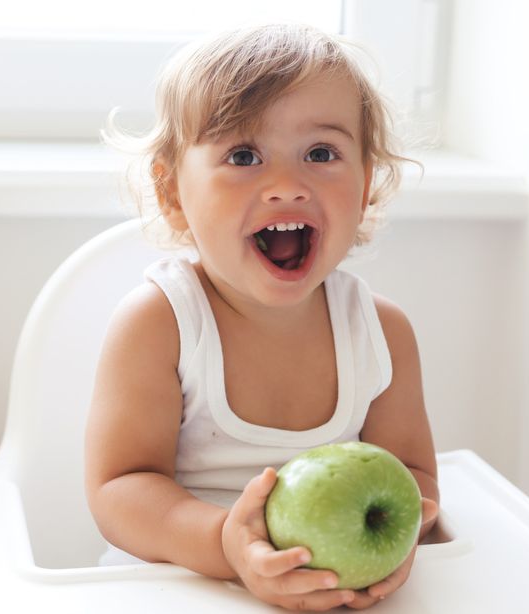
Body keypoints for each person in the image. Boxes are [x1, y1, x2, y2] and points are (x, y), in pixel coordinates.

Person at [85, 23, 439, 611]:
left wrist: (398, 540)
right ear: (173, 193)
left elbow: (412, 479)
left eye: (321, 154)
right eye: (244, 155)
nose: (287, 186)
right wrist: (228, 545)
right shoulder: (162, 324)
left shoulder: (382, 334)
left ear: (366, 184)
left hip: (333, 590)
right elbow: (120, 490)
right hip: (181, 587)